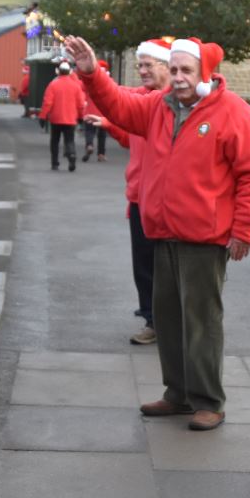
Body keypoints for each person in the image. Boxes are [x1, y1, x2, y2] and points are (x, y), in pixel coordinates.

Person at [66, 34, 250, 430]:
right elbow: (119, 106)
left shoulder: (232, 112)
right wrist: (92, 74)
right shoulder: (159, 107)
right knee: (169, 318)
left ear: (204, 73)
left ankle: (209, 399)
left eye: (186, 70)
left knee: (201, 321)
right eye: (173, 69)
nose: (177, 77)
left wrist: (244, 230)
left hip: (205, 238)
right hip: (164, 232)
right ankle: (178, 393)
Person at [84, 37, 174, 346]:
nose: (143, 71)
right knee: (145, 265)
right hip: (139, 196)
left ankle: (171, 321)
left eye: (149, 65)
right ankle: (152, 319)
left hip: (169, 199)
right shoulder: (140, 100)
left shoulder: (175, 104)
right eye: (140, 65)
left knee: (169, 265)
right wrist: (110, 125)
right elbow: (130, 139)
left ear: (166, 66)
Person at [39, 58, 85, 171]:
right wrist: (80, 116)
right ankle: (71, 154)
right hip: (70, 119)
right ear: (70, 71)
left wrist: (43, 116)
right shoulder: (76, 86)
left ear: (58, 71)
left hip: (56, 118)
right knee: (69, 140)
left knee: (55, 141)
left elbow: (47, 102)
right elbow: (80, 104)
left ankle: (55, 163)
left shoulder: (53, 85)